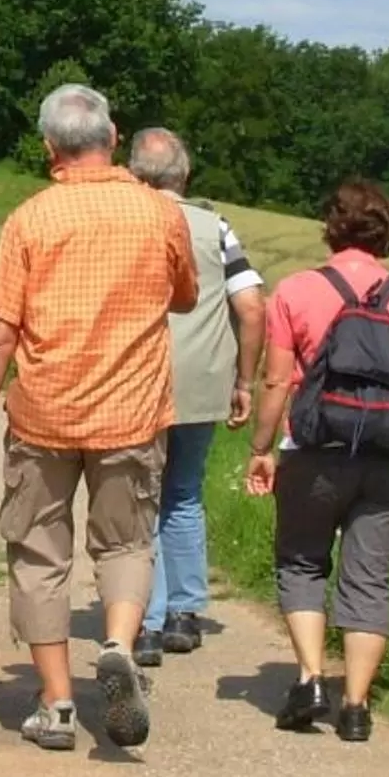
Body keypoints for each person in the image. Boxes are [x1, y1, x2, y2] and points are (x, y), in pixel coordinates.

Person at [0, 84, 198, 752]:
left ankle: (57, 702)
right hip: (132, 408)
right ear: (113, 136)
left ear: (48, 147)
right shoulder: (158, 214)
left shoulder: (29, 219)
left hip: (45, 412)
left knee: (39, 552)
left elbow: (0, 331)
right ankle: (118, 645)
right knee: (124, 541)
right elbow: (184, 294)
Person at [243, 179, 389, 744]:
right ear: (387, 232)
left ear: (331, 227)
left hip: (313, 450)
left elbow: (278, 380)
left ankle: (310, 680)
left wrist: (261, 451)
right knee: (369, 576)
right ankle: (355, 706)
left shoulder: (296, 291)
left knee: (302, 561)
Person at [124, 128, 266, 668]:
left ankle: (150, 621)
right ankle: (185, 611)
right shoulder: (216, 227)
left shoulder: (125, 220)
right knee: (183, 494)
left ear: (135, 173)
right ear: (184, 175)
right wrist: (242, 380)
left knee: (140, 496)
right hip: (203, 377)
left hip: (137, 376)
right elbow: (253, 307)